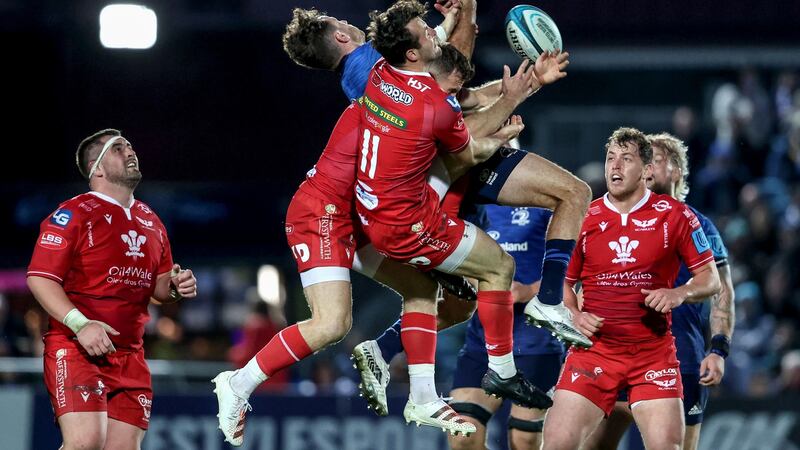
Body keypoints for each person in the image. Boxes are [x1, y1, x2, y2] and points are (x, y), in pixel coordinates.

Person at [282, 3, 593, 349]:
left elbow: (460, 94)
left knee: (461, 301)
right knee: (501, 261)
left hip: (438, 175)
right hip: (438, 176)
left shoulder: (378, 66)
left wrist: (466, 26)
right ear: (341, 35)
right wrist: (467, 19)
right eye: (340, 21)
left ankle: (385, 353)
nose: (347, 20)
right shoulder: (371, 68)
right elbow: (458, 112)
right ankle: (519, 339)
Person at [355, 0, 556, 428]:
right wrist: (518, 96)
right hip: (414, 219)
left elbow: (463, 89)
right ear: (412, 54)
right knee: (499, 268)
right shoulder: (430, 104)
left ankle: (392, 358)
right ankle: (500, 373)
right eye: (425, 32)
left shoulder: (378, 75)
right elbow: (467, 139)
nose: (433, 32)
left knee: (453, 302)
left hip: (372, 216)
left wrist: (460, 17)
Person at [540, 127, 721, 450]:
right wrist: (574, 315)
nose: (615, 167)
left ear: (647, 170)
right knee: (555, 444)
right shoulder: (583, 217)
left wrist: (678, 293)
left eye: (626, 159)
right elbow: (560, 286)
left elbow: (711, 280)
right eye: (611, 159)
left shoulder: (677, 216)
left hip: (652, 356)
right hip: (594, 352)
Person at [26, 129, 198, 450]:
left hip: (131, 357)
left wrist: (174, 286)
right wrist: (81, 325)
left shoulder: (152, 220)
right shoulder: (73, 214)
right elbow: (39, 277)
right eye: (118, 148)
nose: (130, 151)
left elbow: (159, 289)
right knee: (85, 443)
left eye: (130, 145)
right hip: (77, 347)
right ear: (97, 168)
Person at [583, 133, 736, 450]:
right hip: (616, 355)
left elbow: (722, 293)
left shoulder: (700, 226)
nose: (647, 167)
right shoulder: (611, 220)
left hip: (680, 358)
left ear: (677, 171)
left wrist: (719, 349)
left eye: (656, 160)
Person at [445, 205, 564, 450]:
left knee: (524, 440)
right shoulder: (476, 204)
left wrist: (528, 290)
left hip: (536, 341)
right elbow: (461, 260)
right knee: (462, 435)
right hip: (483, 341)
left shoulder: (548, 206)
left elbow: (572, 270)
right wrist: (482, 285)